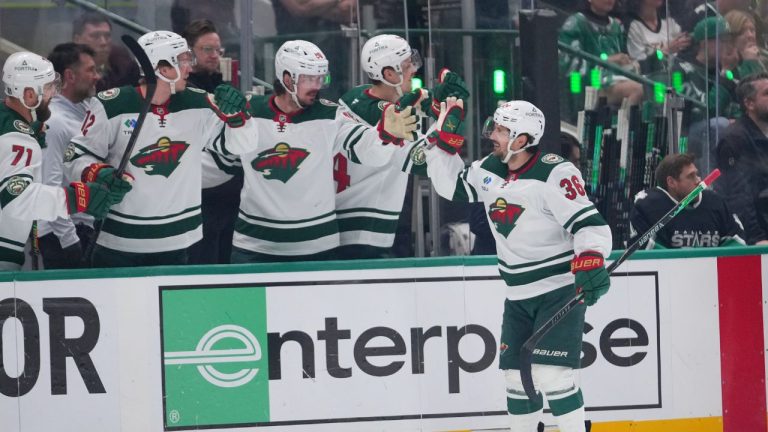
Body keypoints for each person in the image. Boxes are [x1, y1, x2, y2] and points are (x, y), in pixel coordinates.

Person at [424, 99, 612, 432]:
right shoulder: (488, 170)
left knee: (553, 375)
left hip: (558, 290)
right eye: (494, 127)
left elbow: (590, 225)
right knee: (515, 379)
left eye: (500, 130)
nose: (492, 135)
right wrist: (442, 141)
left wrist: (591, 257)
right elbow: (450, 185)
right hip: (518, 295)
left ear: (522, 139)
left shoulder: (554, 172)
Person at [208, 40, 420, 263]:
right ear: (288, 78)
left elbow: (367, 151)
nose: (317, 86)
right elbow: (222, 148)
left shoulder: (330, 116)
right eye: (310, 78)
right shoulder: (250, 111)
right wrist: (234, 122)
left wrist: (384, 135)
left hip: (317, 247)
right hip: (254, 246)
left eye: (321, 78)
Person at [63, 30, 253, 268]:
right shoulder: (111, 105)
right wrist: (98, 172)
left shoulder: (200, 103)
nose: (190, 68)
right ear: (163, 69)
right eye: (183, 61)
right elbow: (75, 155)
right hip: (118, 242)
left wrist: (238, 118)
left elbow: (242, 146)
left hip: (181, 241)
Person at [334, 34, 469, 258]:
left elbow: (415, 99)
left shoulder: (356, 96)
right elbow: (427, 162)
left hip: (340, 223)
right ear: (389, 73)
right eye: (408, 65)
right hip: (366, 235)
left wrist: (437, 101)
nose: (414, 69)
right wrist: (447, 120)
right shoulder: (394, 125)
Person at [0, 52, 113, 270]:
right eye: (49, 87)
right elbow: (17, 199)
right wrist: (79, 197)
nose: (54, 94)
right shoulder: (17, 137)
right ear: (29, 95)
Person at [182, 19, 243, 264]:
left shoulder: (222, 87)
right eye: (207, 49)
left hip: (228, 202)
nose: (214, 55)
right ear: (189, 53)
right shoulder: (183, 93)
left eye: (218, 50)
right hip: (199, 202)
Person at [37, 43, 102, 269]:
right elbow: (49, 185)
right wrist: (70, 240)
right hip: (61, 235)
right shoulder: (54, 121)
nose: (97, 76)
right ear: (70, 75)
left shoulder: (87, 113)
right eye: (91, 70)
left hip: (84, 229)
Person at [630, 153, 745, 248]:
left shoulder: (715, 203)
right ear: (671, 182)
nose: (699, 180)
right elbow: (651, 255)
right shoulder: (648, 207)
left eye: (697, 174)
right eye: (691, 176)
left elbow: (738, 244)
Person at [559, 0, 644, 106]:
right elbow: (568, 64)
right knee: (637, 89)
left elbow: (622, 56)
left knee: (652, 88)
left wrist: (629, 63)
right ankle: (624, 122)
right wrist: (606, 61)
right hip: (592, 84)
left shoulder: (616, 27)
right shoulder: (576, 23)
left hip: (616, 80)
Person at [716, 72, 768, 245]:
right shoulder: (734, 139)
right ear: (749, 103)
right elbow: (739, 196)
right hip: (759, 237)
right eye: (766, 93)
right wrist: (757, 238)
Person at [72, 11, 139, 92]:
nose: (103, 42)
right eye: (95, 36)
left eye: (107, 36)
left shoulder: (123, 65)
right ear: (77, 40)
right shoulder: (65, 72)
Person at [625, 0, 691, 74]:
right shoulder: (634, 27)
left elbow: (686, 43)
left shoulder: (669, 21)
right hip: (654, 80)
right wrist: (665, 51)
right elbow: (640, 66)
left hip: (677, 75)